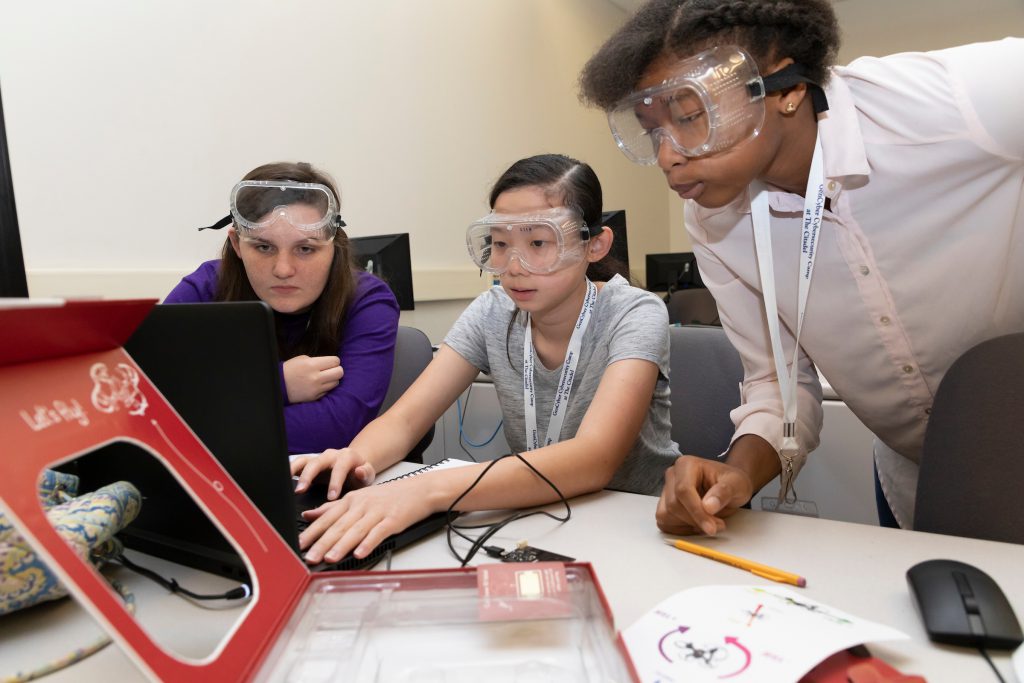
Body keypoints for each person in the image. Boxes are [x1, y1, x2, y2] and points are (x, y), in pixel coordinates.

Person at [578, 0, 1023, 533]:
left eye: (689, 115)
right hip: (922, 476)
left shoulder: (956, 101)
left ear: (787, 88)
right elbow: (777, 385)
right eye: (653, 131)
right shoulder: (712, 220)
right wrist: (735, 474)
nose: (669, 156)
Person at [290, 153, 679, 565]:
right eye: (499, 243)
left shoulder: (634, 313)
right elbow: (404, 421)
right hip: (540, 515)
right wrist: (357, 459)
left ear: (594, 245)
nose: (513, 266)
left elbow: (594, 458)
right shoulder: (493, 311)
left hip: (638, 523)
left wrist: (427, 491)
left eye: (538, 243)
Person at [165, 162, 400, 454]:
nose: (283, 269)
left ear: (333, 246)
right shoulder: (205, 288)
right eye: (264, 247)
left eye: (306, 249)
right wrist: (276, 384)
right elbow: (153, 402)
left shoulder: (367, 300)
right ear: (237, 245)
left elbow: (338, 427)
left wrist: (208, 420)